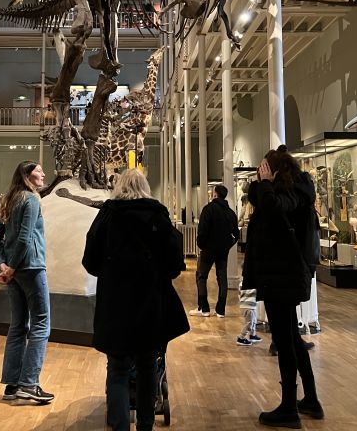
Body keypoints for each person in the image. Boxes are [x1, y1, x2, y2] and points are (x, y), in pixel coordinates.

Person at [82, 169, 189, 431]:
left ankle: (119, 426)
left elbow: (90, 260)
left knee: (117, 367)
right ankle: (145, 425)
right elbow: (175, 263)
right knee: (147, 365)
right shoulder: (158, 214)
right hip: (150, 301)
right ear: (145, 186)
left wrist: (111, 272)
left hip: (116, 302)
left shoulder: (107, 214)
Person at [243, 145, 324, 427]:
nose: (261, 173)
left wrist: (265, 183)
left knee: (286, 342)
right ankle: (311, 400)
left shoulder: (293, 193)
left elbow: (273, 208)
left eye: (265, 168)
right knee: (292, 339)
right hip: (281, 275)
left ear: (275, 170)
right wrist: (261, 184)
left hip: (284, 276)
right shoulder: (284, 191)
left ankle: (289, 407)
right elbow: (260, 202)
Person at [0, 161, 53, 404]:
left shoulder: (8, 200)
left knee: (18, 325)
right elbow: (26, 238)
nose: (43, 174)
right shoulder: (31, 199)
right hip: (30, 267)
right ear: (27, 176)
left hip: (14, 270)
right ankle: (29, 384)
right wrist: (13, 268)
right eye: (39, 170)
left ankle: (13, 384)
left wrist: (3, 264)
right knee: (41, 323)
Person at [190, 184, 239, 318]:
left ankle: (204, 308)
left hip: (208, 250)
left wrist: (201, 244)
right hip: (223, 251)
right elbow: (236, 233)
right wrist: (228, 244)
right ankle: (220, 310)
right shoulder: (230, 213)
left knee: (201, 276)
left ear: (215, 194)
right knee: (222, 277)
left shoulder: (208, 209)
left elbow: (202, 230)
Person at [236, 282, 262, 346]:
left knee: (253, 321)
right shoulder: (255, 284)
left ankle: (253, 335)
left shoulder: (241, 283)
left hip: (244, 305)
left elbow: (239, 294)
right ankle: (241, 337)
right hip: (250, 306)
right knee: (249, 323)